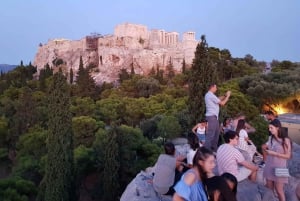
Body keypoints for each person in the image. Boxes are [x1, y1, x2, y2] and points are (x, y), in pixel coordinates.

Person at [262, 120, 292, 201]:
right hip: (269, 166)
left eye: (271, 128)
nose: (269, 129)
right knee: (269, 190)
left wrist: (274, 153)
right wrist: (264, 149)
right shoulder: (271, 138)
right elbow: (265, 146)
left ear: (277, 128)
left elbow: (288, 156)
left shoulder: (285, 140)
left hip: (281, 168)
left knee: (279, 191)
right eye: (269, 128)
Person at [204, 84, 231, 152]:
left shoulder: (210, 95)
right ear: (212, 87)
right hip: (212, 117)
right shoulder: (210, 95)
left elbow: (218, 99)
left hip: (214, 118)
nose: (216, 89)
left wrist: (224, 95)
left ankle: (214, 151)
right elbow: (222, 103)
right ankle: (206, 152)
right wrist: (228, 96)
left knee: (216, 135)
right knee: (210, 135)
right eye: (216, 87)